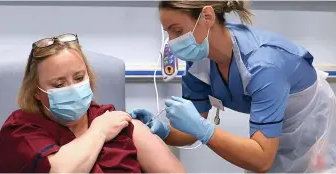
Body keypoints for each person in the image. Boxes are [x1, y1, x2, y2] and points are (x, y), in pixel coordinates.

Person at [130, 1, 336, 173]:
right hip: (271, 129)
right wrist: (163, 130)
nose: (173, 44)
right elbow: (192, 128)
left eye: (177, 31)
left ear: (207, 18)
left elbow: (261, 159)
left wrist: (205, 130)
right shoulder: (199, 60)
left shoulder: (263, 65)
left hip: (310, 118)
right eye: (168, 33)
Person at [0, 33, 186, 173]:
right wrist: (100, 131)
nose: (72, 88)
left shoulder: (118, 123)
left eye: (79, 77)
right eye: (59, 84)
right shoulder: (21, 132)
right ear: (36, 91)